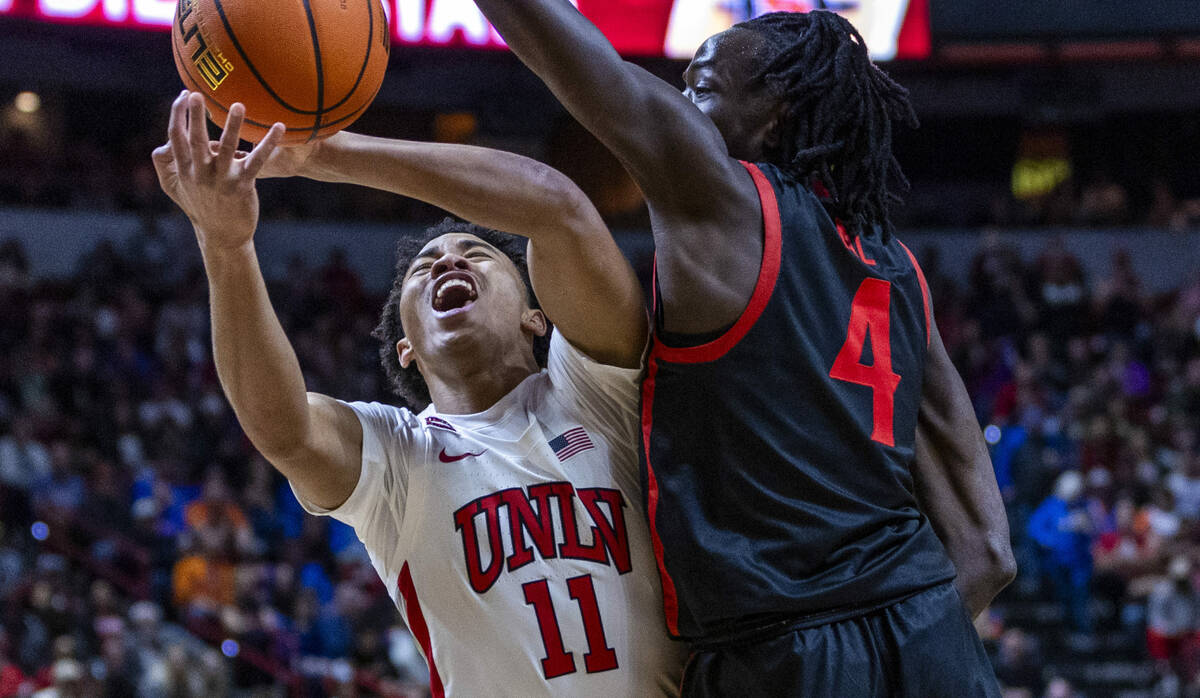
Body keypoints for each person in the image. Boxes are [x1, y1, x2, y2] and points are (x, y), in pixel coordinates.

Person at [467, 5, 1015, 694]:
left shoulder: (726, 200)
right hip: (933, 637)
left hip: (783, 647)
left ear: (774, 112)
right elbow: (988, 552)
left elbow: (577, 63)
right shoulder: (898, 268)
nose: (684, 105)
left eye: (702, 88)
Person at [151, 91, 685, 695]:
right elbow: (283, 427)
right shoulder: (400, 455)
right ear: (405, 344)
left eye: (476, 253)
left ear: (537, 317)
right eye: (422, 267)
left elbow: (555, 206)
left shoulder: (597, 388)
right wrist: (226, 245)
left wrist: (323, 153)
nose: (446, 261)